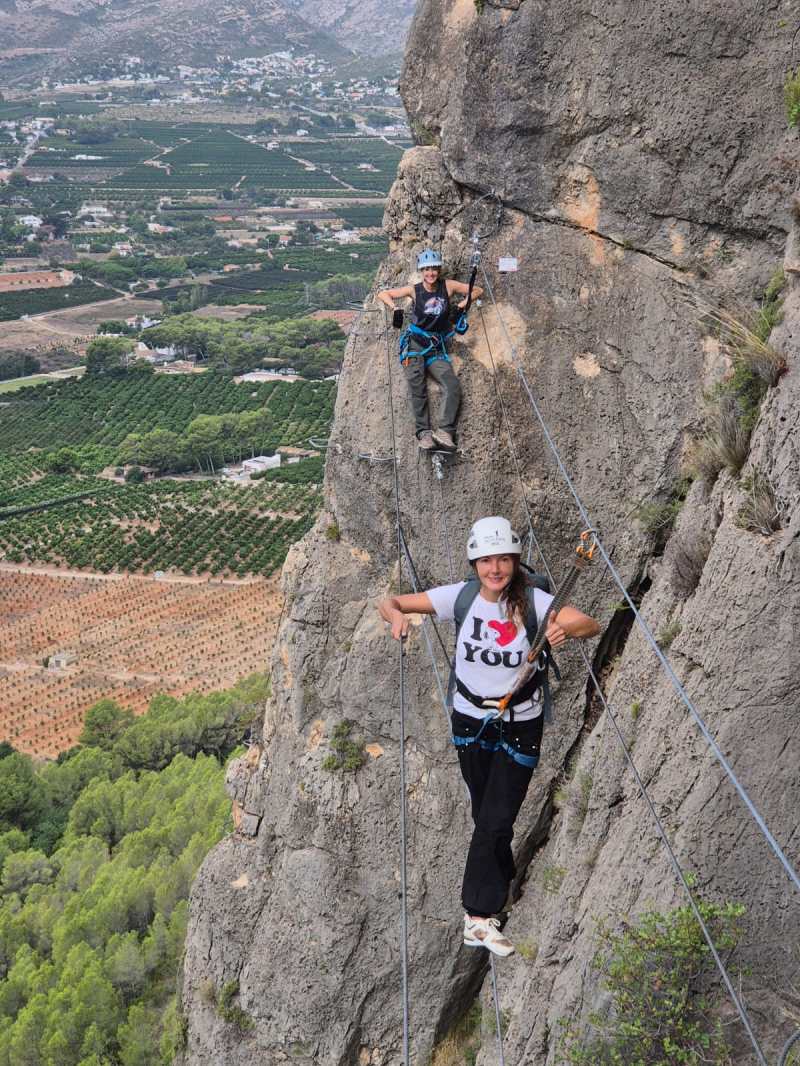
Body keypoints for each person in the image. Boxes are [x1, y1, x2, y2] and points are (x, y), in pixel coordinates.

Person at [377, 517, 600, 957]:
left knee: (496, 816)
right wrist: (395, 618)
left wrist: (562, 629)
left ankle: (477, 917)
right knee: (487, 814)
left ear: (516, 562)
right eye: (486, 560)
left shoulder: (536, 603)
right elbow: (391, 601)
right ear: (474, 562)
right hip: (469, 722)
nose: (495, 568)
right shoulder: (458, 598)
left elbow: (588, 623)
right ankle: (499, 885)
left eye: (503, 559)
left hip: (520, 722)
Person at [377, 249, 483, 452]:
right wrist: (395, 308)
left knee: (452, 385)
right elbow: (384, 294)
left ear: (438, 269)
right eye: (427, 269)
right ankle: (424, 433)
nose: (431, 273)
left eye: (434, 268)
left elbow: (476, 290)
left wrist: (461, 305)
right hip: (415, 345)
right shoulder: (414, 290)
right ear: (421, 271)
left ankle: (445, 431)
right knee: (418, 389)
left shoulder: (448, 286)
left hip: (434, 347)